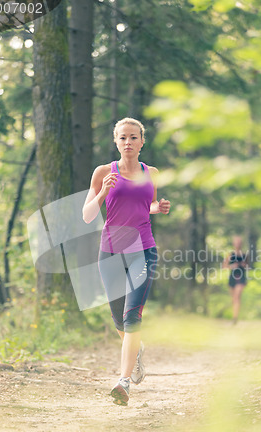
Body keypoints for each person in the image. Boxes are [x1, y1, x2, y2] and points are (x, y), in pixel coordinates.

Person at [82, 117, 170, 405]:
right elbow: (87, 215)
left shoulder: (151, 173)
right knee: (118, 316)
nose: (128, 142)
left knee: (133, 316)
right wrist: (104, 192)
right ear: (116, 141)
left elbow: (148, 205)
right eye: (123, 138)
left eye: (133, 137)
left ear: (142, 141)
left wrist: (160, 207)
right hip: (110, 251)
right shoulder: (103, 172)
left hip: (142, 249)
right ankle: (136, 350)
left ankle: (123, 383)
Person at [223, 235, 249, 324]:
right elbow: (224, 266)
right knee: (234, 298)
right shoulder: (231, 254)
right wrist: (232, 266)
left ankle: (235, 318)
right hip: (232, 277)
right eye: (236, 242)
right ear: (234, 243)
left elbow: (247, 266)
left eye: (239, 242)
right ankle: (234, 315)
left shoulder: (244, 255)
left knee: (237, 296)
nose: (237, 244)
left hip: (241, 277)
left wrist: (243, 265)